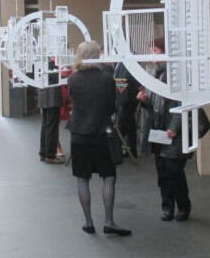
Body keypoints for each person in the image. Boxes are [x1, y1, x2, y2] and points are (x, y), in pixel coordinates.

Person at [67, 41, 131, 236]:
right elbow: (112, 107)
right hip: (102, 134)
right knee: (109, 177)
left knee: (82, 179)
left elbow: (72, 102)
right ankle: (109, 221)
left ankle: (88, 223)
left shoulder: (73, 79)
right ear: (97, 55)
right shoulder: (106, 79)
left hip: (79, 134)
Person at [137, 38, 192, 222]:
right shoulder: (155, 74)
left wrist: (174, 127)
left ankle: (183, 206)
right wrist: (145, 101)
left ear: (165, 52)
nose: (151, 53)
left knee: (173, 169)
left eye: (155, 50)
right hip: (159, 128)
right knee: (162, 170)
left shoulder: (175, 73)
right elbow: (154, 106)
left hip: (172, 129)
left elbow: (182, 102)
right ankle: (167, 206)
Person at [39, 58, 64, 164]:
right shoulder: (51, 62)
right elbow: (57, 78)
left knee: (45, 126)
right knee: (52, 127)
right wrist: (64, 73)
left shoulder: (41, 60)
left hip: (44, 96)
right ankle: (50, 155)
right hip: (52, 97)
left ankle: (43, 152)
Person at [114, 61, 141, 158]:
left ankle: (116, 151)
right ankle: (132, 150)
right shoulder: (119, 63)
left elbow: (124, 79)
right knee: (130, 125)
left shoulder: (127, 62)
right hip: (125, 98)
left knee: (122, 126)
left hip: (127, 99)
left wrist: (121, 100)